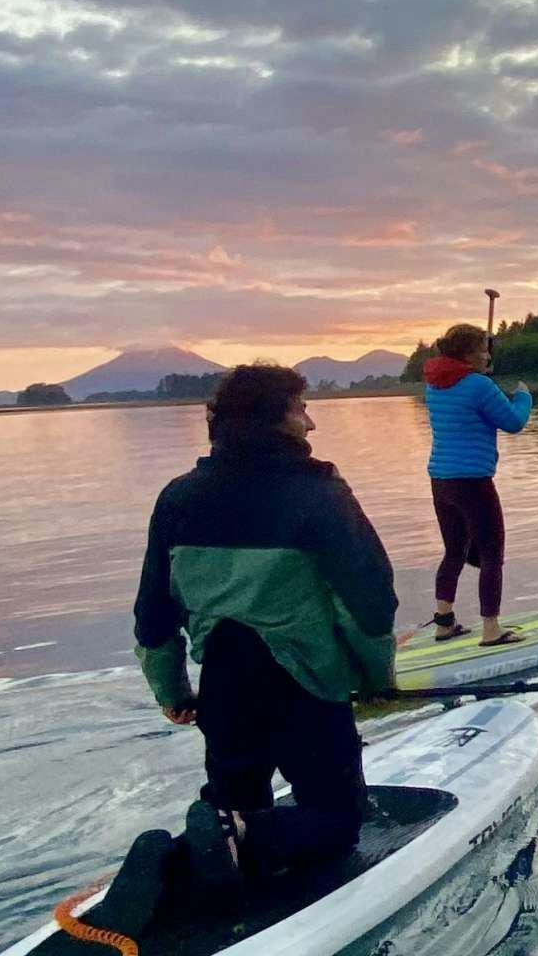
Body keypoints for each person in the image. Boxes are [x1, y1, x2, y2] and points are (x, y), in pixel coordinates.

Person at [132, 361, 399, 902]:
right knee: (337, 819)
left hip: (224, 687)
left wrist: (172, 690)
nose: (310, 424)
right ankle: (231, 838)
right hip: (306, 685)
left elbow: (153, 610)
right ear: (277, 420)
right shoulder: (320, 495)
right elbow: (369, 603)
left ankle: (199, 846)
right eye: (302, 409)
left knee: (234, 799)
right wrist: (376, 678)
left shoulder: (177, 499)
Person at [416, 321, 532, 644]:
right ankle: (492, 630)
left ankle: (444, 623)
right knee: (493, 553)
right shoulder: (479, 385)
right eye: (483, 349)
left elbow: (467, 404)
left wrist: (483, 376)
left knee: (454, 550)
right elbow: (513, 422)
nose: (487, 354)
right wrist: (523, 396)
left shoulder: (434, 385)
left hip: (440, 480)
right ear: (468, 353)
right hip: (472, 481)